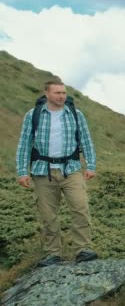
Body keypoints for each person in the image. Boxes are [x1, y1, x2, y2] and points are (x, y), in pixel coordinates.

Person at [16, 80, 98, 267]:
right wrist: (22, 172)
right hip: (42, 171)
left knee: (81, 207)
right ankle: (53, 253)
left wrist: (91, 166)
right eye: (57, 93)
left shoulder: (76, 115)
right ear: (47, 94)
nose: (62, 96)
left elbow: (86, 141)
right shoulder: (33, 115)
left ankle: (83, 249)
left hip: (71, 169)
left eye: (64, 93)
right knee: (48, 215)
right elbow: (24, 144)